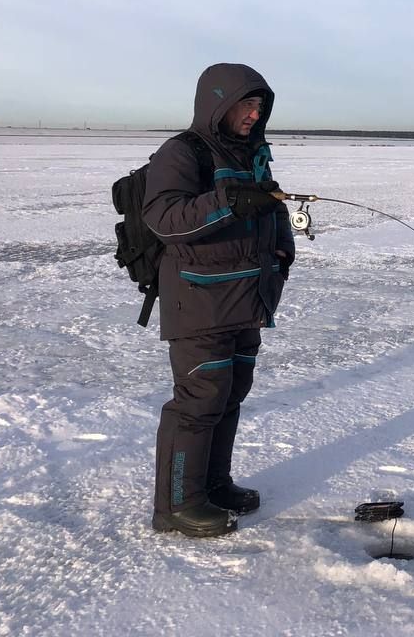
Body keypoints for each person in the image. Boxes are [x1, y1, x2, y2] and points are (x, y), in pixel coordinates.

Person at [143, 63, 295, 537]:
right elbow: (163, 218)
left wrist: (282, 250)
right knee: (199, 400)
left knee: (230, 395)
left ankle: (212, 484)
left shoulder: (252, 152)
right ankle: (175, 505)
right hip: (200, 299)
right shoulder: (183, 152)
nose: (253, 115)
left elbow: (270, 206)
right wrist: (230, 200)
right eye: (245, 105)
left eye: (259, 106)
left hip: (247, 295)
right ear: (217, 103)